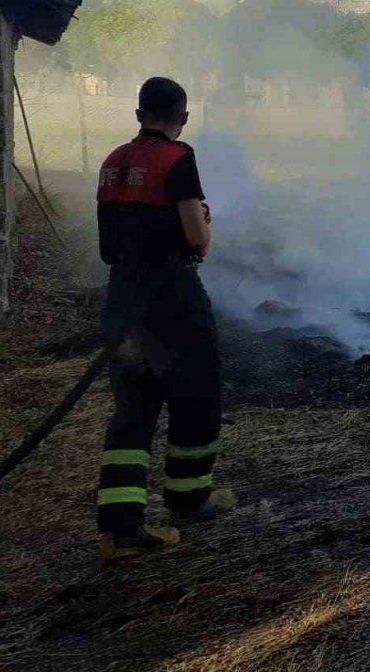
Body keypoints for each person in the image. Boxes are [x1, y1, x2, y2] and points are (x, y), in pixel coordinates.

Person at [95, 76, 235, 566]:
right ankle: (190, 498)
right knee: (197, 392)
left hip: (122, 299)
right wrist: (206, 230)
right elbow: (195, 237)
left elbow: (111, 241)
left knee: (133, 409)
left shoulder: (114, 160)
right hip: (170, 296)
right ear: (183, 118)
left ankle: (119, 529)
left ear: (138, 114)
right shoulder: (178, 158)